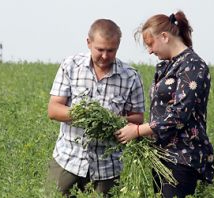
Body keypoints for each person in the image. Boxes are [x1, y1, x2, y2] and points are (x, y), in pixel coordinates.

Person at [115, 11, 214, 197]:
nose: (150, 50)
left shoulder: (193, 66)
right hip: (162, 156)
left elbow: (178, 115)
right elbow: (160, 112)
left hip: (182, 157)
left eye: (150, 44)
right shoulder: (167, 66)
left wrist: (137, 131)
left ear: (164, 37)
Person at [47, 19, 145, 197]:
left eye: (111, 50)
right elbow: (54, 110)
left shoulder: (130, 76)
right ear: (88, 43)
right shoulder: (71, 66)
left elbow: (137, 119)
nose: (105, 56)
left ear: (118, 46)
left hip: (108, 167)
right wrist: (89, 116)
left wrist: (112, 120)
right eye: (100, 49)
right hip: (68, 159)